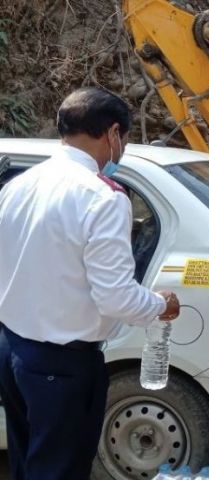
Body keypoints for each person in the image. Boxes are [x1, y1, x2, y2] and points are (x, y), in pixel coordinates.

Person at [0, 86, 180, 479]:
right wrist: (159, 304)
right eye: (126, 140)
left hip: (13, 349)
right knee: (59, 470)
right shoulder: (103, 198)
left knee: (27, 462)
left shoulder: (18, 186)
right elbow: (115, 297)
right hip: (62, 363)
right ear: (114, 134)